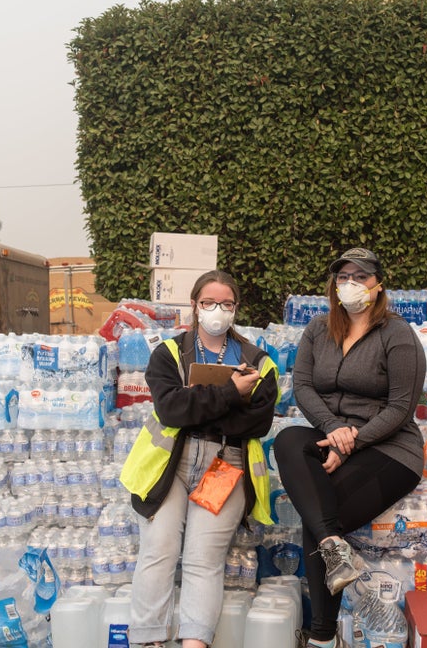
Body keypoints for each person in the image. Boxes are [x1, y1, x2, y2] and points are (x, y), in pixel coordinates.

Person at [273, 247, 426, 648]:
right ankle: (333, 548)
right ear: (333, 284)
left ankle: (322, 637)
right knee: (289, 439)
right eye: (343, 277)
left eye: (361, 277)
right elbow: (303, 387)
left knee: (320, 514)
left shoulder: (398, 334)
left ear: (378, 286)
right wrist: (334, 429)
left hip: (389, 449)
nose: (351, 284)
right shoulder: (318, 329)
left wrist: (352, 441)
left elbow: (400, 408)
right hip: (333, 434)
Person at [120, 270, 279, 648]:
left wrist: (200, 403)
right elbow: (172, 409)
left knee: (202, 558)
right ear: (194, 305)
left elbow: (256, 421)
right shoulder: (169, 353)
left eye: (226, 303)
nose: (217, 310)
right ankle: (147, 640)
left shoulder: (259, 361)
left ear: (236, 309)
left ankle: (195, 643)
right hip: (170, 465)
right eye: (209, 302)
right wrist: (229, 394)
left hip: (225, 464)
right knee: (158, 550)